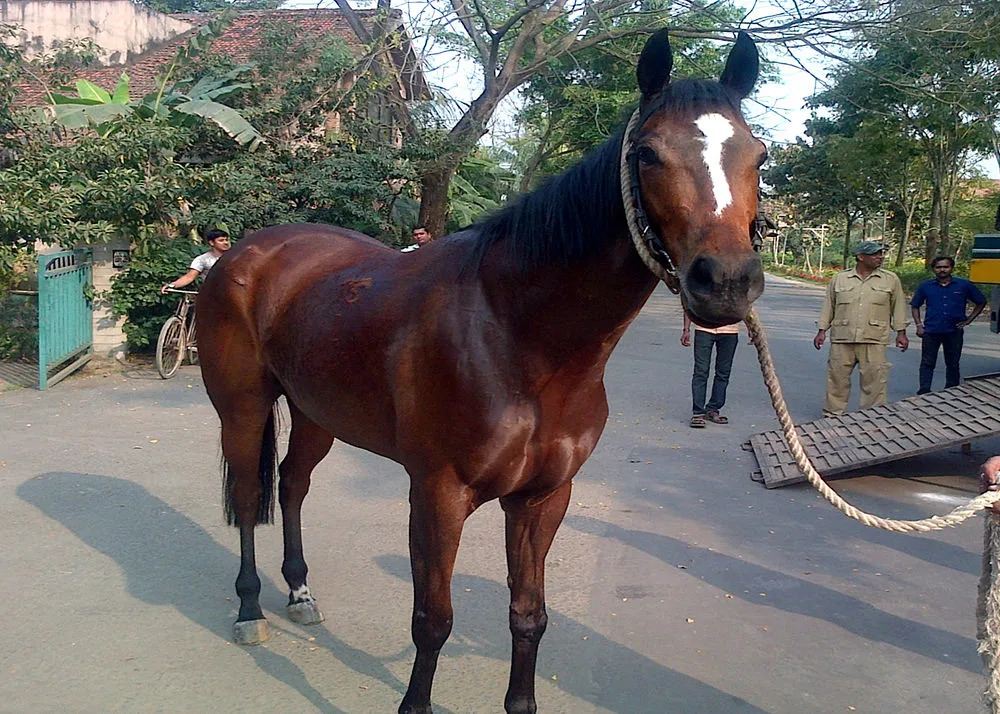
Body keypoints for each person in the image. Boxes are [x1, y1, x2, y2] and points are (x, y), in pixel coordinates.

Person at [813, 240, 909, 415]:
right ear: (860, 257)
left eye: (881, 254)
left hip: (874, 338)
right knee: (837, 379)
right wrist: (821, 331)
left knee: (875, 381)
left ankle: (871, 416)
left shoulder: (890, 280)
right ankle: (832, 414)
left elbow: (899, 307)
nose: (879, 257)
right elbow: (829, 306)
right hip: (843, 337)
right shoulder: (840, 279)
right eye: (875, 254)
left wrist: (901, 333)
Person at [909, 255, 987, 394]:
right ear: (933, 269)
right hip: (932, 330)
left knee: (952, 362)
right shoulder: (925, 286)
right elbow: (915, 305)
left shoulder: (964, 285)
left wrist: (969, 320)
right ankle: (924, 389)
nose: (942, 270)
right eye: (939, 267)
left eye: (946, 267)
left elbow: (981, 301)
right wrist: (919, 325)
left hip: (954, 330)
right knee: (927, 362)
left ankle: (952, 390)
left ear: (951, 268)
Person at [681, 310, 739, 428]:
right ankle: (698, 413)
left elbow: (746, 305)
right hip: (704, 329)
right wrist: (686, 329)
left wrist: (752, 329)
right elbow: (689, 302)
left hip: (730, 331)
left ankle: (713, 408)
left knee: (723, 373)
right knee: (700, 372)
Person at [160, 228, 231, 293]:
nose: (226, 243)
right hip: (213, 295)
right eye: (221, 240)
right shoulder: (202, 259)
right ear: (211, 243)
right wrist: (171, 285)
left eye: (226, 240)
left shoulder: (235, 257)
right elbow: (189, 277)